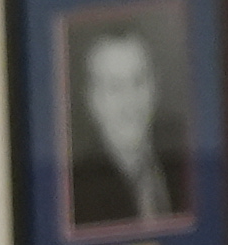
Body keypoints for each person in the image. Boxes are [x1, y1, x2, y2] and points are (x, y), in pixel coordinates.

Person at [63, 18, 190, 230]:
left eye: (138, 81)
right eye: (115, 87)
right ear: (92, 99)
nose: (129, 100)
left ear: (155, 87)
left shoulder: (187, 159)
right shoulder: (74, 192)